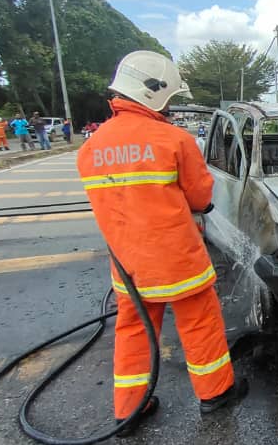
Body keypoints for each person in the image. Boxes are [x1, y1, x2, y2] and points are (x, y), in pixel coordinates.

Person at [76, 50, 246, 436]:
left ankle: (129, 410)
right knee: (200, 324)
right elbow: (201, 198)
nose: (171, 106)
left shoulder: (91, 148)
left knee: (134, 331)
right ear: (155, 93)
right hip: (177, 261)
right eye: (169, 99)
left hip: (128, 266)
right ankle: (215, 393)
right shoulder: (174, 140)